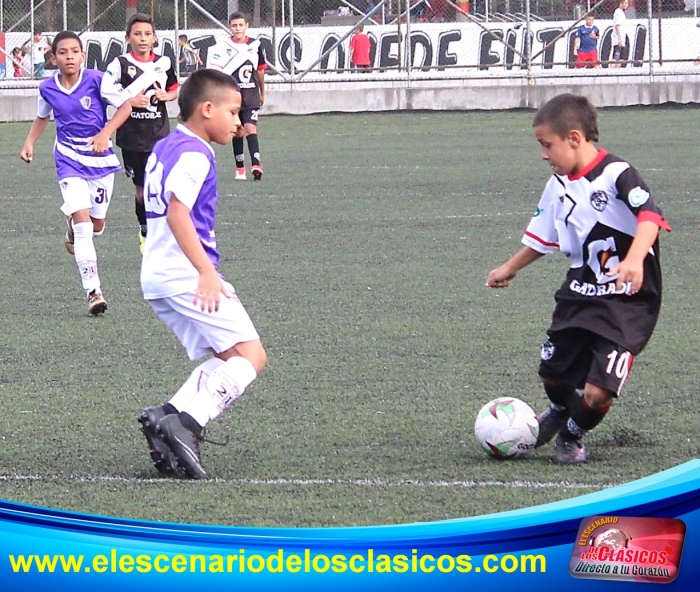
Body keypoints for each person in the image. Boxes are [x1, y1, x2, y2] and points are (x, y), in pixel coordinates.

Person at [486, 94, 671, 464]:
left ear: (574, 138)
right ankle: (558, 410)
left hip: (627, 300)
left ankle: (572, 434)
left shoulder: (618, 173)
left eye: (546, 144)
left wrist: (634, 258)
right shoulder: (558, 184)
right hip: (580, 291)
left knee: (598, 392)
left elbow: (650, 216)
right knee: (552, 375)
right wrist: (511, 266)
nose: (543, 154)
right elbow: (544, 236)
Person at [138, 69, 267, 479]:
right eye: (232, 111)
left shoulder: (167, 145)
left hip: (159, 273)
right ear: (206, 109)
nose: (237, 121)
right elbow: (178, 212)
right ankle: (186, 424)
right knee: (251, 356)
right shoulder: (195, 153)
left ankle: (167, 416)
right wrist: (206, 272)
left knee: (228, 357)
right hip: (185, 275)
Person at [19, 31, 132, 315]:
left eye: (74, 51)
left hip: (99, 159)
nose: (69, 56)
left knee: (97, 226)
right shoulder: (47, 88)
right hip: (68, 158)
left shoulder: (97, 80)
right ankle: (94, 291)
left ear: (83, 55)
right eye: (63, 52)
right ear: (53, 57)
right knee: (84, 229)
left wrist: (106, 133)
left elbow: (125, 106)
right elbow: (43, 116)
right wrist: (29, 142)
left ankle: (72, 226)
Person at [102, 13, 179, 254]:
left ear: (155, 38)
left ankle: (164, 231)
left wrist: (169, 95)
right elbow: (107, 91)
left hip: (160, 134)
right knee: (141, 188)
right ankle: (145, 229)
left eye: (147, 34)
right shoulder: (120, 64)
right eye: (137, 34)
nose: (143, 39)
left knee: (164, 185)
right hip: (132, 137)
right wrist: (129, 99)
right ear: (128, 38)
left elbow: (174, 87)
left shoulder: (164, 62)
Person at [207, 12, 267, 181]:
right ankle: (240, 168)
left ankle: (256, 164)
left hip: (251, 94)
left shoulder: (256, 45)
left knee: (250, 128)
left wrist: (263, 91)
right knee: (238, 131)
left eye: (241, 25)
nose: (238, 28)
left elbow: (260, 70)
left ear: (247, 26)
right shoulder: (223, 46)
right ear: (229, 27)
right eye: (234, 25)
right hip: (232, 97)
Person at [611, 0, 629, 68]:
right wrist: (619, 38)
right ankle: (611, 71)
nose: (627, 5)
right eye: (626, 3)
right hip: (618, 38)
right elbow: (617, 26)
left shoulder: (622, 12)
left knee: (621, 57)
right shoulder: (618, 12)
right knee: (616, 56)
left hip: (622, 37)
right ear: (621, 3)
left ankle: (617, 71)